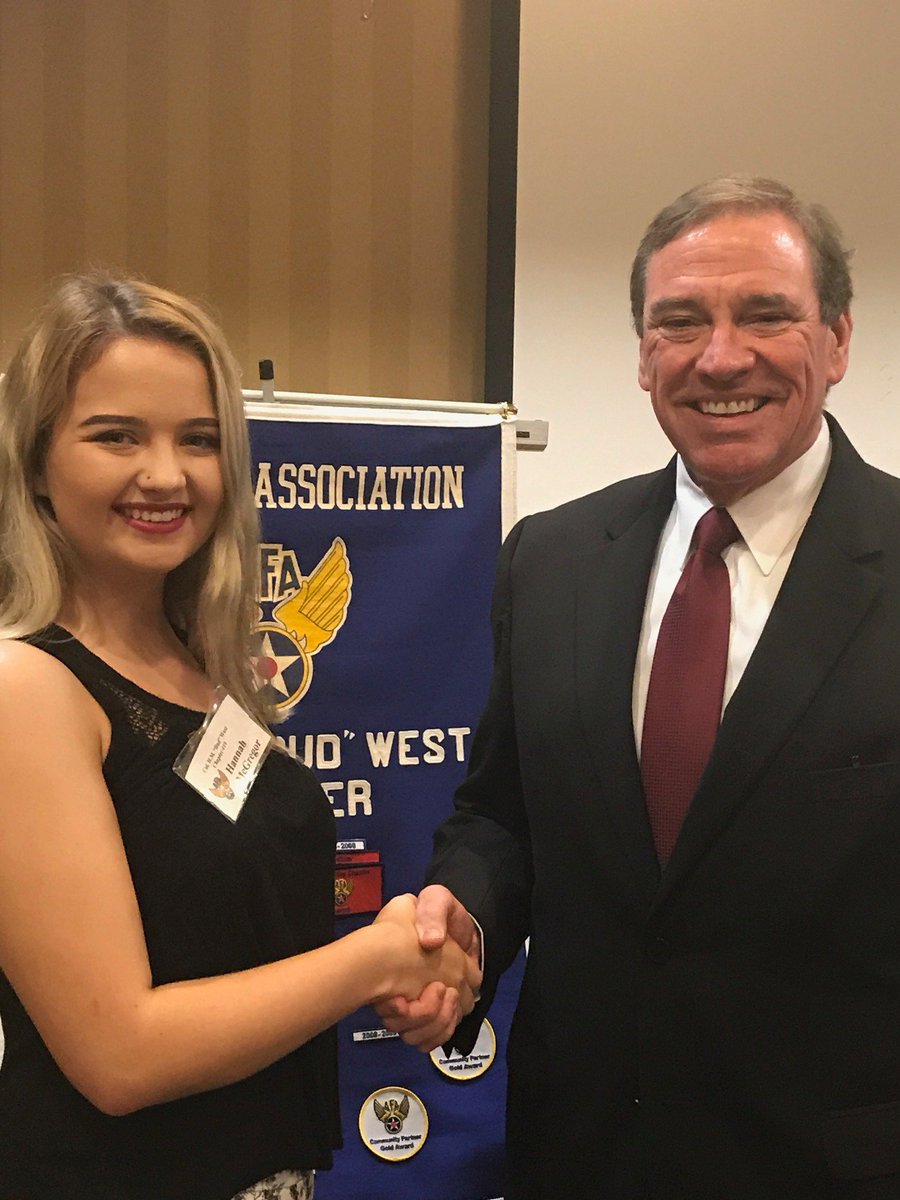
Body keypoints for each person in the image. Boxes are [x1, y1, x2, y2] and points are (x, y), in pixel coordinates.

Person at [376, 177, 900, 1199]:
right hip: (581, 1153)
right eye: (681, 322)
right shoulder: (550, 559)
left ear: (837, 341)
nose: (721, 358)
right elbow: (501, 814)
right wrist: (466, 920)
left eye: (765, 315)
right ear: (644, 354)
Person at [0, 272, 480, 1200]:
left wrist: (402, 941)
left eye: (199, 439)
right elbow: (120, 1056)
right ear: (34, 465)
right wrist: (372, 959)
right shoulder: (25, 687)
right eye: (115, 435)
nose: (165, 475)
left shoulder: (201, 674)